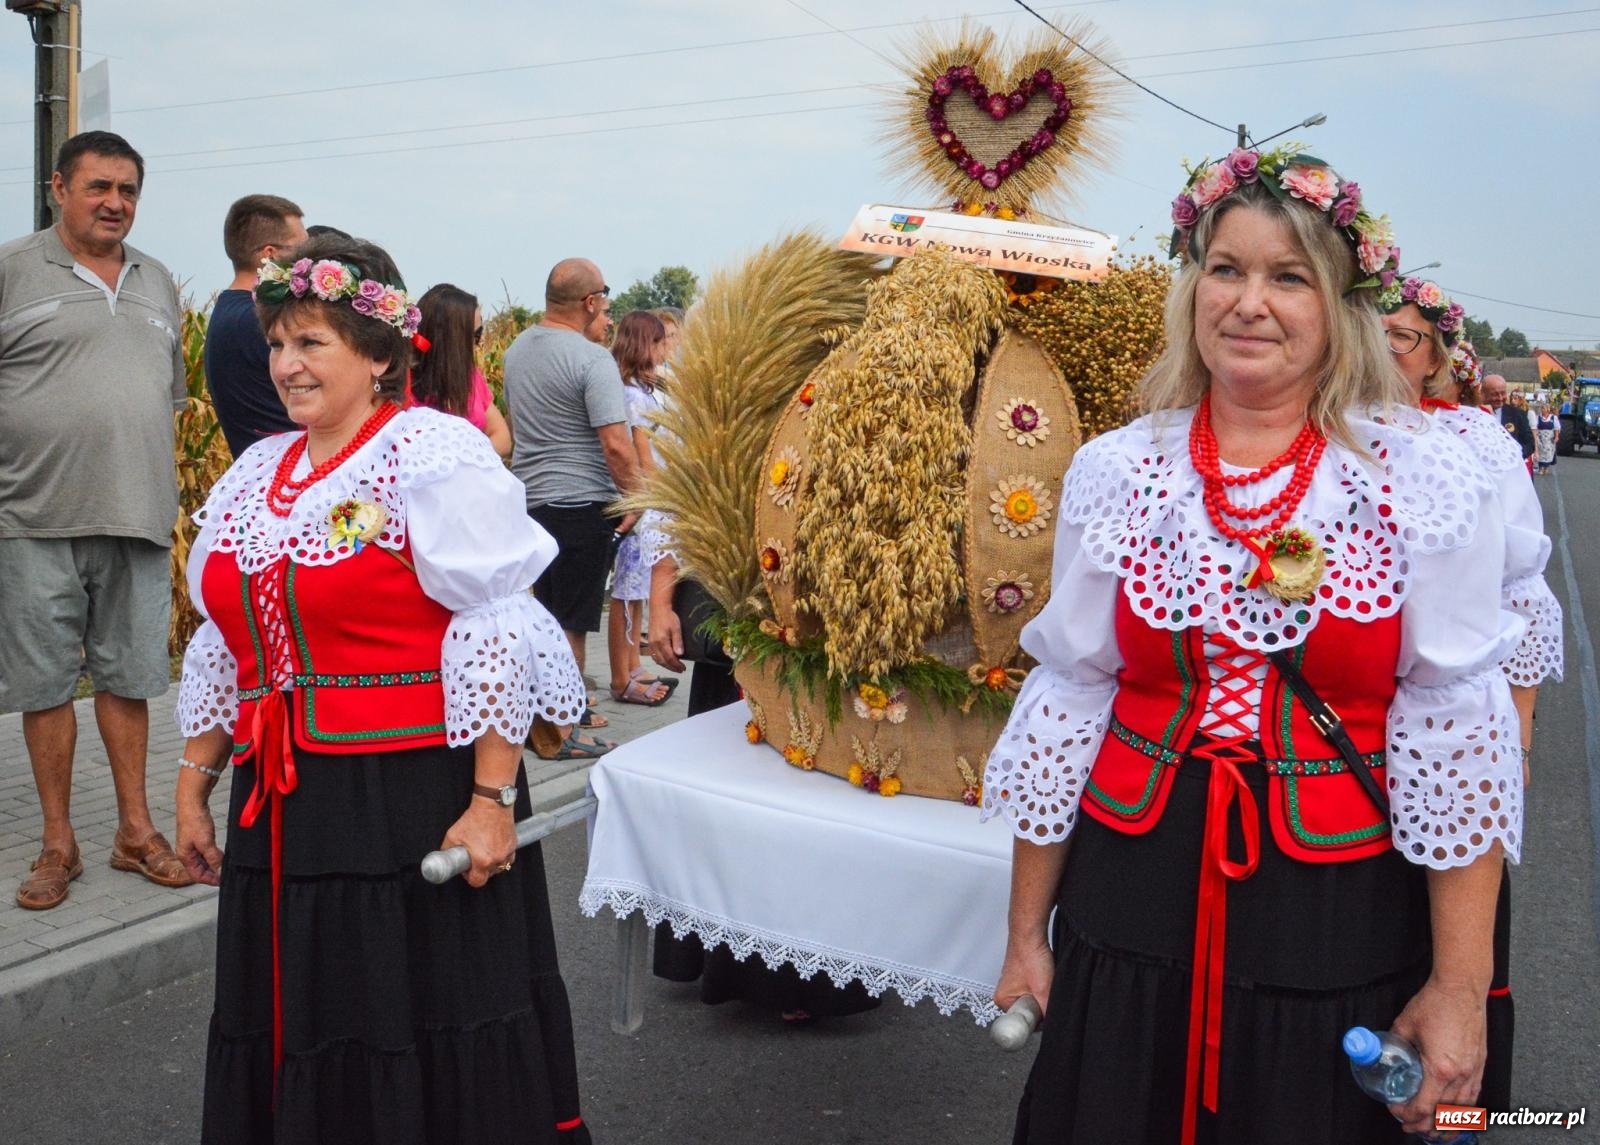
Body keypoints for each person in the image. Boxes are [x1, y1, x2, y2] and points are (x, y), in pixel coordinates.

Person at [985, 147, 1523, 1145]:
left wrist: (1459, 989)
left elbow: (1456, 734)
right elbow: (1069, 697)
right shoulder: (1118, 469)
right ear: (1193, 288)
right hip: (1129, 903)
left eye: (1289, 277)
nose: (1249, 302)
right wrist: (1025, 933)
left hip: (1335, 917)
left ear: (1341, 307)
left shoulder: (1421, 478)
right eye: (1225, 269)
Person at [170, 233, 596, 1143]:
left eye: (310, 342)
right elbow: (226, 638)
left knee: (417, 1012)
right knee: (303, 1014)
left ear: (375, 353)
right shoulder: (259, 471)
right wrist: (194, 783)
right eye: (277, 343)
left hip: (408, 795)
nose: (286, 364)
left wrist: (491, 802)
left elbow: (495, 621)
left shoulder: (429, 451)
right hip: (281, 804)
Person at [1380, 275, 1564, 1111]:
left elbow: (1523, 597)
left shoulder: (1476, 442)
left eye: (1404, 335)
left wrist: (1516, 740)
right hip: (1355, 737)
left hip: (1454, 726)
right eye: (1371, 329)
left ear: (1437, 359)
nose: (1384, 346)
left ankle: (1453, 1094)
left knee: (1453, 928)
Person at [0, 131, 192, 910]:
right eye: (98, 187)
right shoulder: (13, 270)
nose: (115, 203)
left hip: (137, 516)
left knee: (131, 678)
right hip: (32, 516)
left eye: (128, 190)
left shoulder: (158, 282)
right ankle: (58, 842)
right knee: (45, 685)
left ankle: (135, 831)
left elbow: (167, 401)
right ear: (58, 188)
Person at [504, 259, 639, 739]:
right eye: (605, 295)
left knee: (544, 614)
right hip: (581, 502)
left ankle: (547, 713)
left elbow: (517, 426)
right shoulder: (591, 359)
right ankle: (565, 725)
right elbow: (616, 444)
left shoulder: (517, 351)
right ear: (590, 302)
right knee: (571, 623)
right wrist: (636, 498)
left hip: (531, 502)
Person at [605, 310, 674, 706]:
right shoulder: (632, 395)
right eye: (660, 341)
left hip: (648, 499)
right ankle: (620, 673)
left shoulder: (645, 391)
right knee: (626, 589)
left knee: (636, 589)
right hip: (643, 499)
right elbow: (642, 450)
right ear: (646, 345)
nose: (665, 349)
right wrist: (655, 493)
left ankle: (632, 663)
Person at [205, 194, 307, 457]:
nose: (308, 260)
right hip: (283, 466)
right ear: (269, 254)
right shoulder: (257, 320)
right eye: (301, 249)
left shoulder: (231, 311)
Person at [410, 283, 512, 457]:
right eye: (477, 335)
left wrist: (468, 457)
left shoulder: (471, 377)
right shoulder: (402, 384)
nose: (480, 343)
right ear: (453, 339)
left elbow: (502, 438)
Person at [1484, 373, 1535, 471]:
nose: (1500, 398)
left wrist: (1514, 458)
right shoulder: (1475, 413)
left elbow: (1529, 443)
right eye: (1494, 394)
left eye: (1503, 393)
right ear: (1483, 393)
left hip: (1512, 470)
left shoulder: (1518, 414)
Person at [1535, 402, 1559, 475]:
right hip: (1540, 438)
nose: (1542, 409)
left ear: (1548, 409)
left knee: (1548, 454)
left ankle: (1546, 467)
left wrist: (1556, 436)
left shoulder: (1553, 418)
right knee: (1540, 452)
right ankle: (1540, 468)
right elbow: (1535, 427)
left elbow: (1556, 428)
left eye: (1543, 408)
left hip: (1549, 439)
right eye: (1541, 408)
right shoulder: (1538, 417)